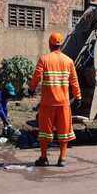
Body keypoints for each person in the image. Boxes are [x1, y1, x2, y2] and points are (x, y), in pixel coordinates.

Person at [28, 32, 82, 167]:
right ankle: (62, 159)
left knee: (44, 131)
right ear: (61, 44)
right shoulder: (68, 61)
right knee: (64, 130)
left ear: (50, 44)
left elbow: (36, 76)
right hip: (63, 103)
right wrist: (78, 96)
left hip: (47, 103)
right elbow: (74, 81)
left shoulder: (44, 59)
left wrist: (31, 89)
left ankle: (44, 158)